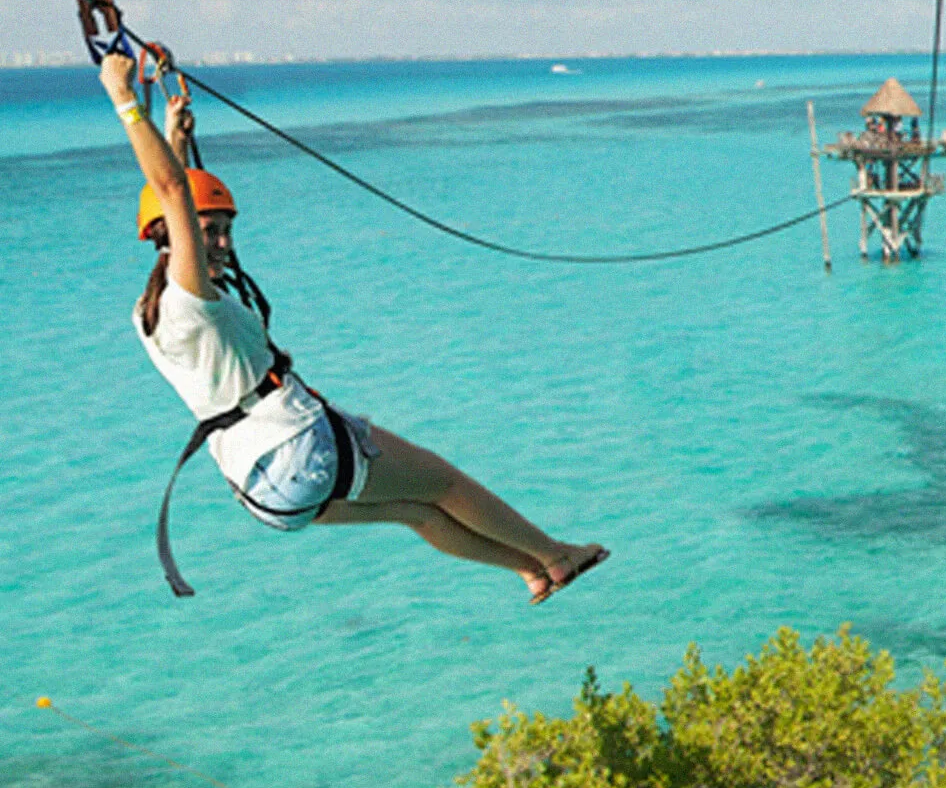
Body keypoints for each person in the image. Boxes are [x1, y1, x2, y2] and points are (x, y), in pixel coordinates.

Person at [100, 53, 607, 604]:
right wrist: (124, 100)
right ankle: (556, 553)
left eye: (225, 231)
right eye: (211, 234)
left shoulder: (150, 312)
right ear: (179, 240)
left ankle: (530, 571)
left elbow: (173, 209)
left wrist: (174, 135)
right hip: (297, 445)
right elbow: (174, 195)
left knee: (418, 512)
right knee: (446, 483)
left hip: (262, 489)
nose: (221, 243)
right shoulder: (192, 298)